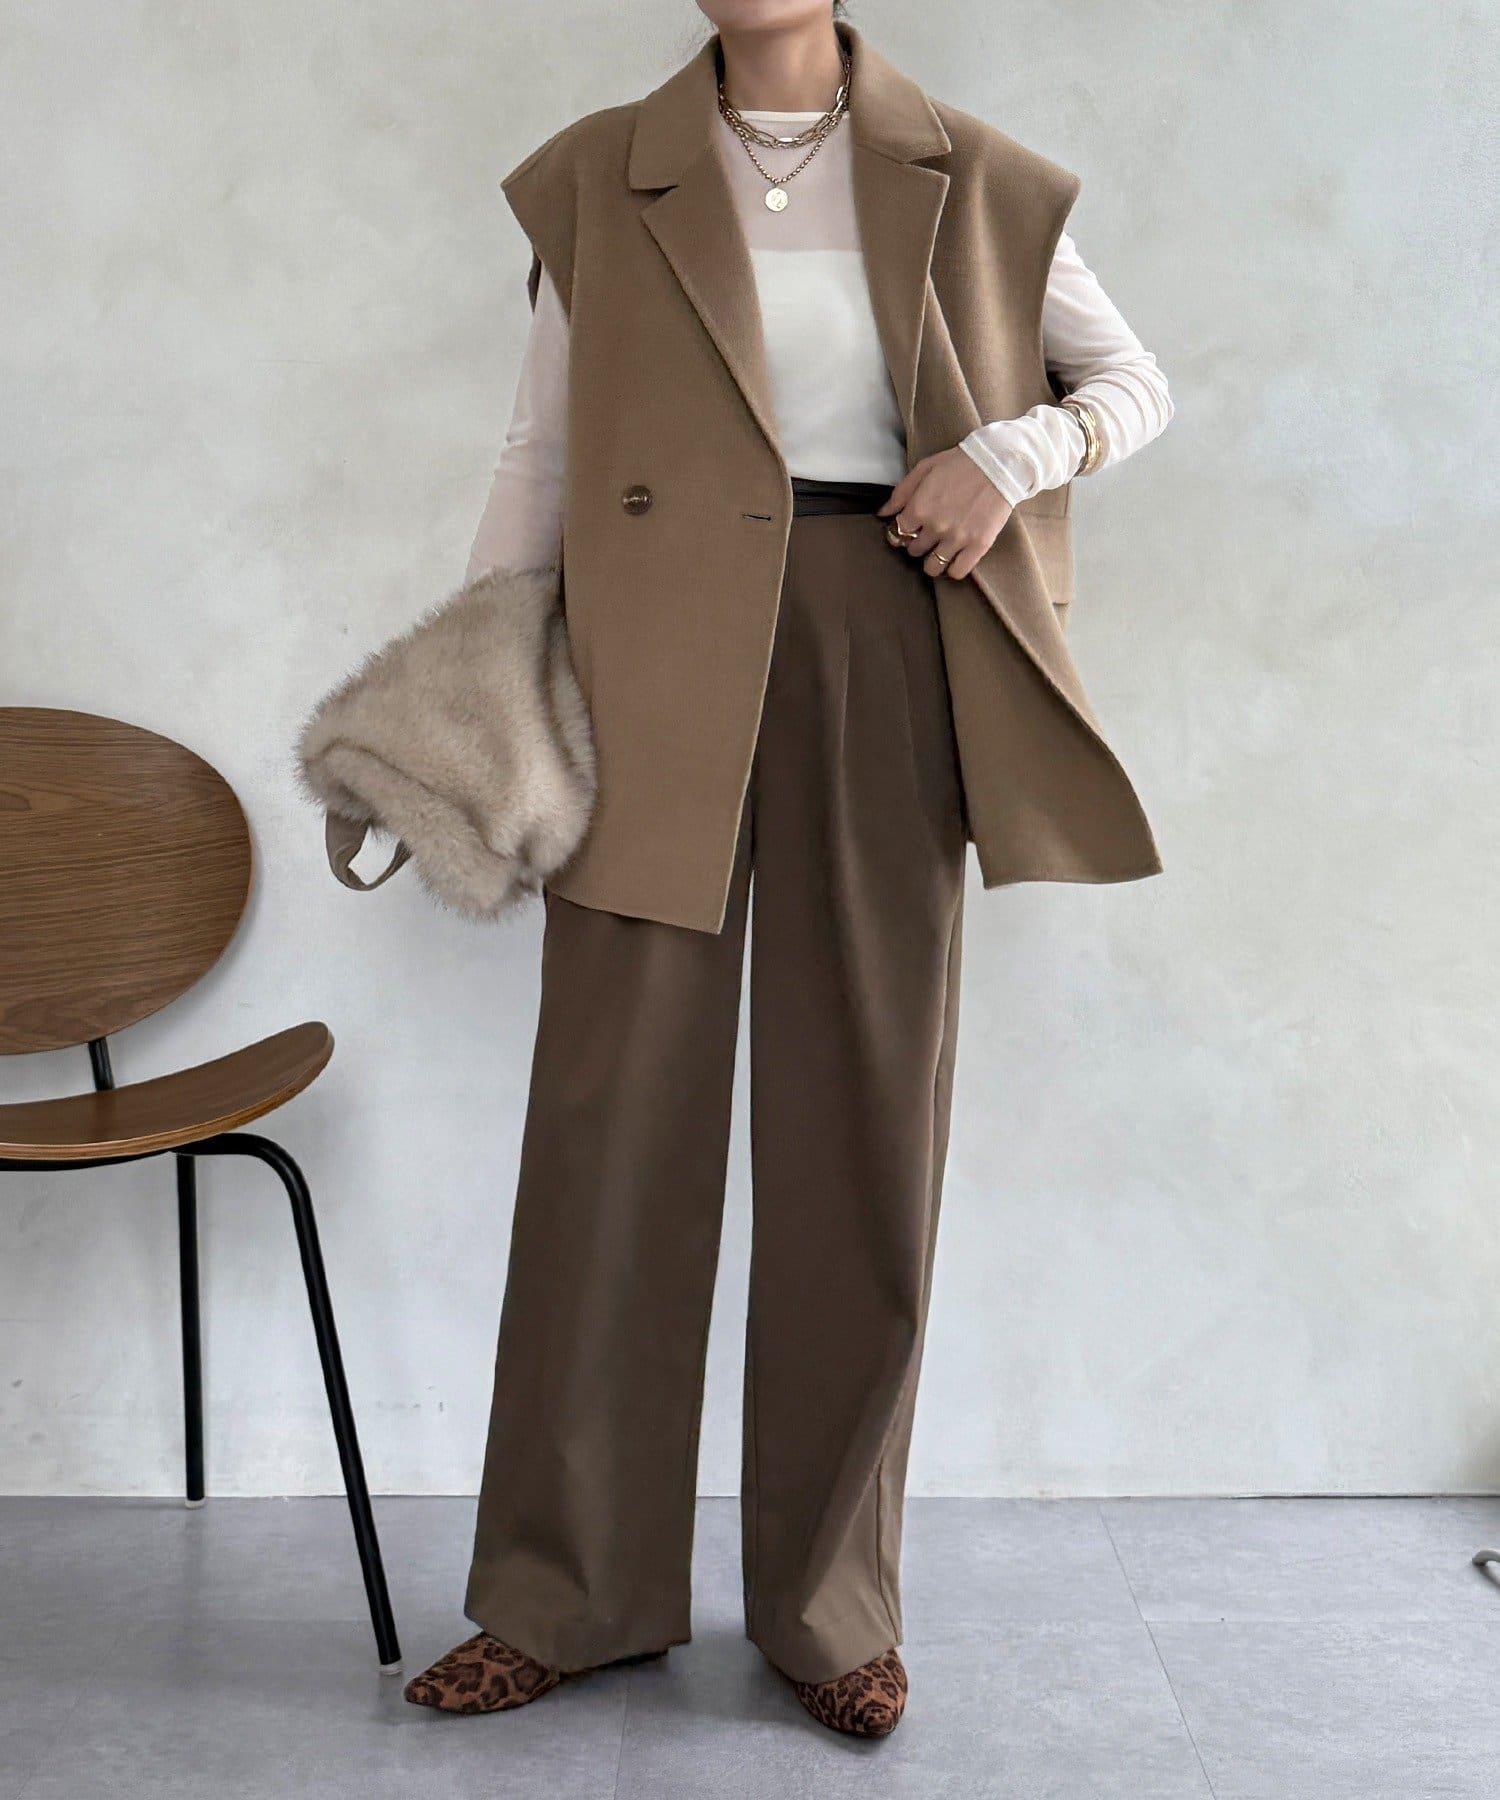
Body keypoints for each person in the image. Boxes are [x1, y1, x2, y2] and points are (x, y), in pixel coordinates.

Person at [404, 1, 1173, 1739]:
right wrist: (472, 706)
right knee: (608, 1123)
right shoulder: (603, 174)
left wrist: (1003, 457)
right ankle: (563, 1594)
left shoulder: (971, 174)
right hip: (644, 658)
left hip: (882, 638)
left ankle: (832, 1611)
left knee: (863, 1122)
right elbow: (540, 454)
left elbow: (1134, 384)